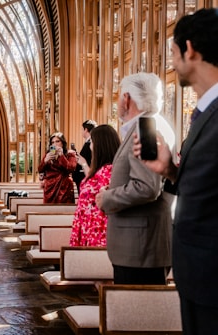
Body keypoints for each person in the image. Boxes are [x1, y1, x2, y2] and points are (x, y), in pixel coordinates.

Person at [133, 9, 218, 334]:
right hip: (197, 276)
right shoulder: (205, 111)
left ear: (191, 49)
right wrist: (170, 170)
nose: (171, 63)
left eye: (172, 52)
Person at [95, 72, 175, 285]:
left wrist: (107, 198)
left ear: (127, 99)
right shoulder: (148, 126)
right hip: (141, 245)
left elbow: (147, 187)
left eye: (120, 95)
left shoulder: (145, 129)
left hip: (140, 248)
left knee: (137, 315)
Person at [69, 125, 120, 247]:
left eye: (91, 141)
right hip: (87, 225)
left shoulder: (109, 171)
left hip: (97, 228)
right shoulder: (100, 169)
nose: (90, 146)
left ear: (101, 144)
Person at [38, 132, 77, 203]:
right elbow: (40, 169)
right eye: (52, 142)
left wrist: (61, 156)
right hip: (50, 186)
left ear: (63, 143)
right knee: (49, 210)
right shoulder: (48, 154)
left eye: (57, 141)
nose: (55, 144)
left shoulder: (70, 154)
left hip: (64, 186)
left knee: (65, 209)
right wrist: (45, 161)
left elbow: (71, 168)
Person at [72, 120, 97, 193]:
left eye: (82, 129)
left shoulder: (90, 143)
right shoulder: (88, 142)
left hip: (84, 176)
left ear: (86, 130)